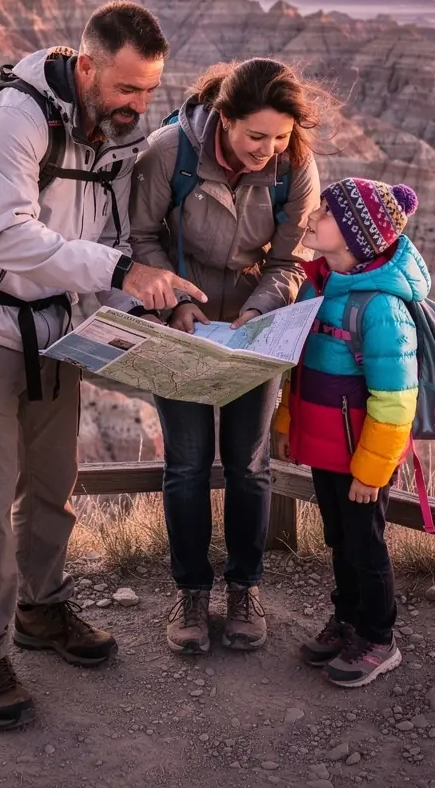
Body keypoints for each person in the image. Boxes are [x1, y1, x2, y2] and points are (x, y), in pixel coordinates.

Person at [0, 1, 206, 729]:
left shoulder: (111, 138)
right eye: (125, 89)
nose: (138, 106)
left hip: (52, 331)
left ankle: (41, 610)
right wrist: (123, 269)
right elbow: (8, 237)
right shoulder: (13, 118)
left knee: (52, 484)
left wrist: (157, 307)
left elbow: (103, 243)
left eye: (148, 92)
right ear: (86, 66)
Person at [129, 58, 323, 655]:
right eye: (256, 136)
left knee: (249, 463)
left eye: (281, 137)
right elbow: (140, 237)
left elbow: (291, 259)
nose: (269, 149)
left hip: (252, 326)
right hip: (179, 323)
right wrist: (173, 307)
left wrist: (258, 314)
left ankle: (244, 589)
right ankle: (190, 593)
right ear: (224, 119)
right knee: (186, 464)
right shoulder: (169, 152)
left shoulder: (296, 166)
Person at [271, 177, 429, 688]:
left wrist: (372, 469)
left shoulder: (381, 308)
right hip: (326, 448)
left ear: (356, 237)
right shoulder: (321, 286)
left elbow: (395, 400)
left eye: (325, 213)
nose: (313, 218)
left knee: (366, 543)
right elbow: (303, 370)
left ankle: (379, 637)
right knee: (338, 538)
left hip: (361, 458)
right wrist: (287, 422)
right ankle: (347, 620)